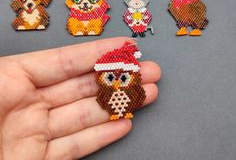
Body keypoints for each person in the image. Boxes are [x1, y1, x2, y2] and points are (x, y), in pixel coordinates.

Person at [0, 37, 161, 159]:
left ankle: (122, 112)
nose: (117, 82)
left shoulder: (132, 91)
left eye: (124, 78)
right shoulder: (105, 93)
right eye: (111, 78)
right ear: (103, 77)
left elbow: (138, 96)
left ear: (132, 77)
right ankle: (118, 113)